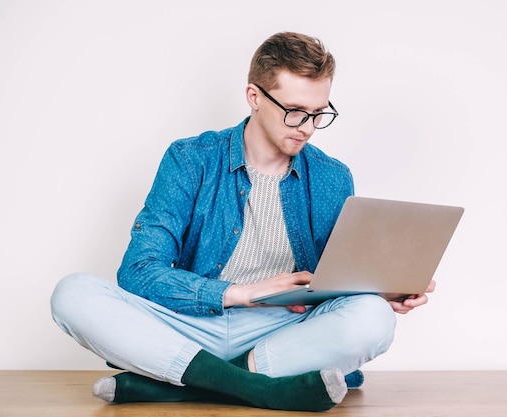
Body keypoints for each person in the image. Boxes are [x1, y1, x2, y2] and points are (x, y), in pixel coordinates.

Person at [50, 31, 434, 412]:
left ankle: (185, 383)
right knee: (72, 294)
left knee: (374, 317)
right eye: (295, 111)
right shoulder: (190, 159)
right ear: (254, 96)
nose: (307, 126)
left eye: (319, 114)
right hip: (191, 323)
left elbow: (332, 285)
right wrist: (240, 293)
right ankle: (261, 388)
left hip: (280, 332)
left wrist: (381, 288)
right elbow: (138, 271)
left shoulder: (333, 176)